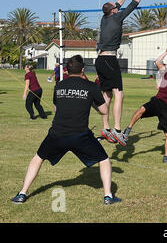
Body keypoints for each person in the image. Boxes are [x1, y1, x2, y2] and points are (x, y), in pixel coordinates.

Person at [11, 55, 121, 205]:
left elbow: (56, 109)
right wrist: (92, 102)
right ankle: (108, 196)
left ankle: (22, 193)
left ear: (67, 71)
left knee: (38, 158)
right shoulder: (91, 86)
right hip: (80, 135)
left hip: (57, 134)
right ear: (83, 70)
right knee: (104, 160)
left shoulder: (59, 85)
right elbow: (104, 111)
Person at [95, 0, 149, 144]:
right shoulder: (117, 17)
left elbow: (118, 2)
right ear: (113, 11)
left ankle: (106, 128)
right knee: (119, 93)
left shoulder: (105, 18)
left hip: (100, 60)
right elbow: (133, 4)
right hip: (110, 60)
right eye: (115, 6)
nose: (117, 6)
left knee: (107, 95)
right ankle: (117, 130)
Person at [122, 47, 167, 163]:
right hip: (157, 101)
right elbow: (157, 62)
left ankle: (165, 157)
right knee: (141, 110)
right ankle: (128, 130)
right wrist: (166, 52)